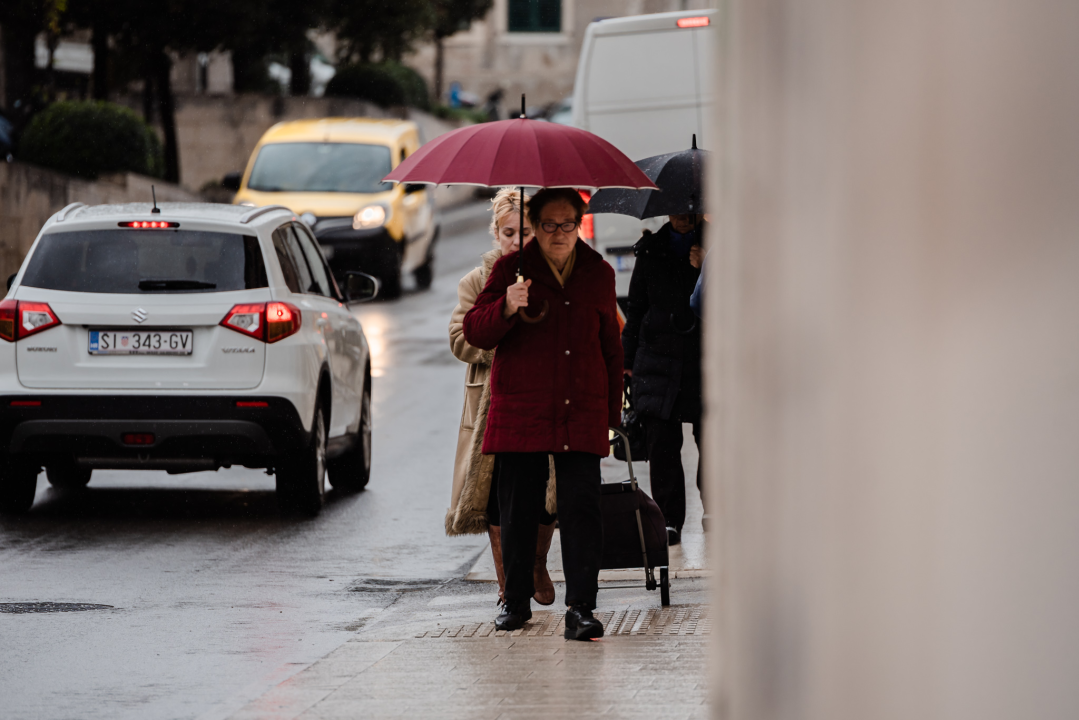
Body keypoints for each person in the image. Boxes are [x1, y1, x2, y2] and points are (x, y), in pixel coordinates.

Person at [463, 188, 623, 640]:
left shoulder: (598, 272)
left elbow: (611, 347)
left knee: (581, 509)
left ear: (579, 224)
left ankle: (581, 608)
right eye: (548, 225)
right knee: (519, 508)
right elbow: (475, 330)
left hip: (580, 407)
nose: (558, 234)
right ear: (536, 225)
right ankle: (515, 601)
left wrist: (612, 415)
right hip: (523, 407)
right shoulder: (510, 270)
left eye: (567, 224)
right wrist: (506, 305)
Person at [447, 189, 558, 607]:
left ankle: (536, 563)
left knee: (546, 496)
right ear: (496, 233)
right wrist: (501, 332)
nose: (516, 241)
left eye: (524, 232)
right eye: (508, 232)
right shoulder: (476, 282)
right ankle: (507, 585)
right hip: (491, 407)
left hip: (541, 401)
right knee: (494, 495)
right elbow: (460, 339)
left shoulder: (555, 276)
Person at [622, 213, 706, 546]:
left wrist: (709, 266)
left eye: (688, 208)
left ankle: (715, 508)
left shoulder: (719, 245)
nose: (683, 215)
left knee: (712, 439)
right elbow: (636, 309)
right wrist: (627, 364)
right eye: (675, 208)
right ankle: (668, 520)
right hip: (658, 358)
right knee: (662, 444)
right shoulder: (650, 249)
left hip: (705, 356)